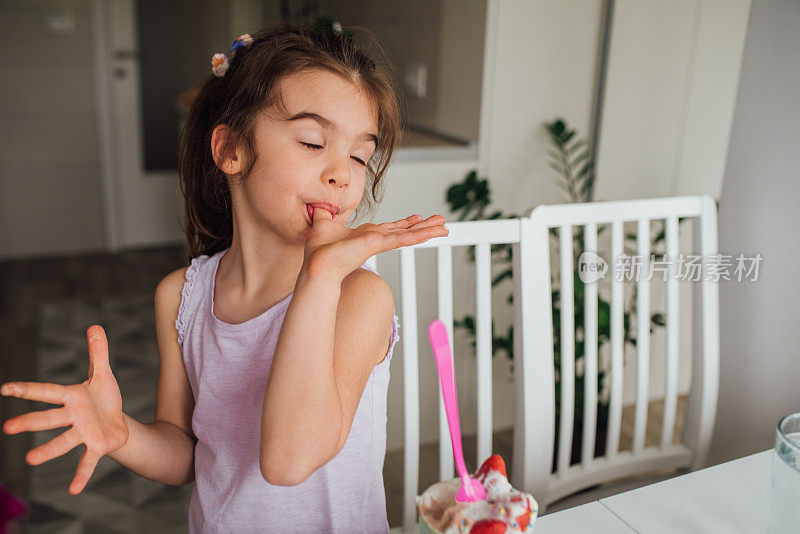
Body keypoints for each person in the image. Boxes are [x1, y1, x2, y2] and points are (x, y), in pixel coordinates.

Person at [1, 21, 448, 533]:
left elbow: (287, 461)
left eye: (359, 156)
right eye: (311, 142)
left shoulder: (358, 295)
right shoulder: (181, 297)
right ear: (230, 150)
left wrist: (320, 277)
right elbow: (188, 455)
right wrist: (122, 433)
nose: (342, 174)